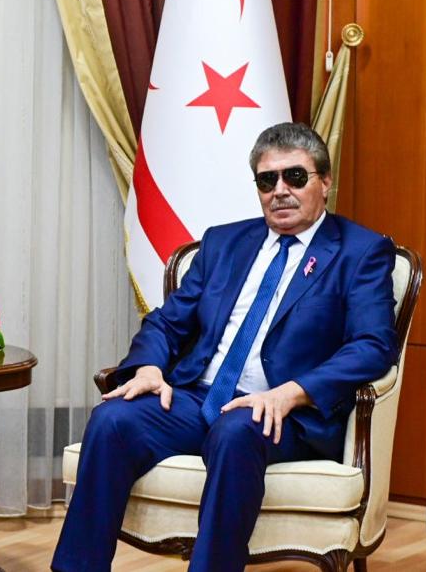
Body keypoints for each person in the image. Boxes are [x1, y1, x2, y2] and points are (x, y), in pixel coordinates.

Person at [52, 123, 398, 571]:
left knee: (236, 432)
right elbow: (166, 322)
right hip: (198, 397)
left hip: (282, 412)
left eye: (295, 177)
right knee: (112, 419)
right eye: (267, 180)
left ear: (324, 182)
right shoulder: (224, 242)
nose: (280, 191)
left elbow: (373, 345)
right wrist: (149, 369)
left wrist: (292, 392)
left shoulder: (361, 251)